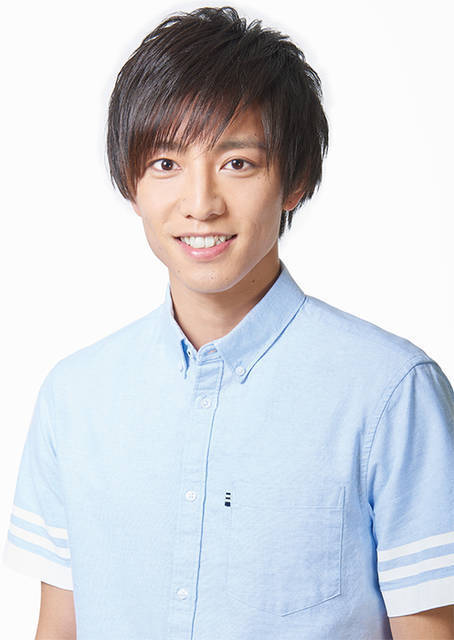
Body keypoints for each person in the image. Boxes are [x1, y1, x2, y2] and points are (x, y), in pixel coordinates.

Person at [3, 6, 454, 639]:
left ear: (294, 180)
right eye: (165, 163)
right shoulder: (73, 397)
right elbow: (59, 627)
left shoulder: (390, 392)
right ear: (131, 183)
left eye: (237, 163)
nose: (200, 204)